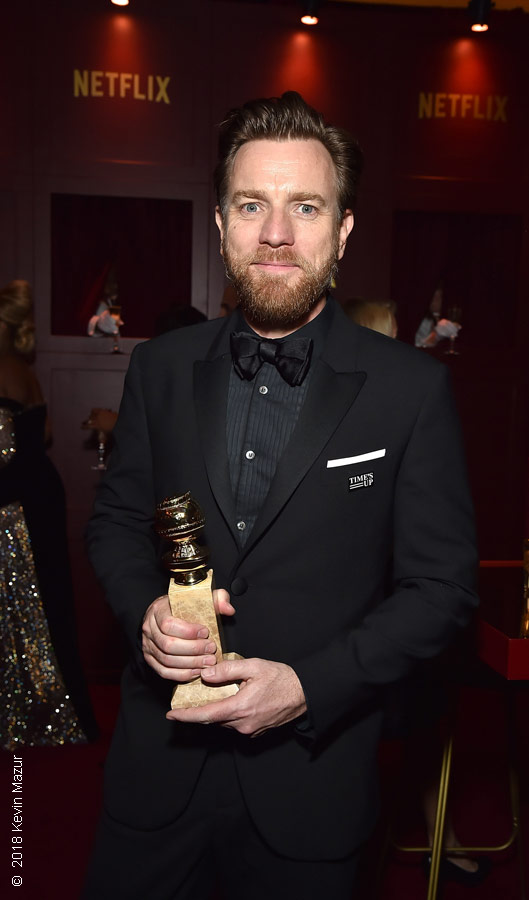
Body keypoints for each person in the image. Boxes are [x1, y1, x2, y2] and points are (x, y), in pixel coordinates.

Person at [83, 92, 478, 900]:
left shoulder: (410, 389)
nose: (275, 232)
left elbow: (441, 590)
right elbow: (118, 523)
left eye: (305, 205)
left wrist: (309, 687)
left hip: (313, 793)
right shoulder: (160, 369)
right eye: (251, 204)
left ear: (342, 230)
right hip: (153, 785)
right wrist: (144, 615)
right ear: (221, 225)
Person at [0, 280, 97, 749]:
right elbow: (46, 434)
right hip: (39, 494)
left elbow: (4, 451)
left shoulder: (2, 368)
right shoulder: (24, 369)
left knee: (21, 605)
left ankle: (26, 711)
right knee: (44, 603)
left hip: (13, 506)